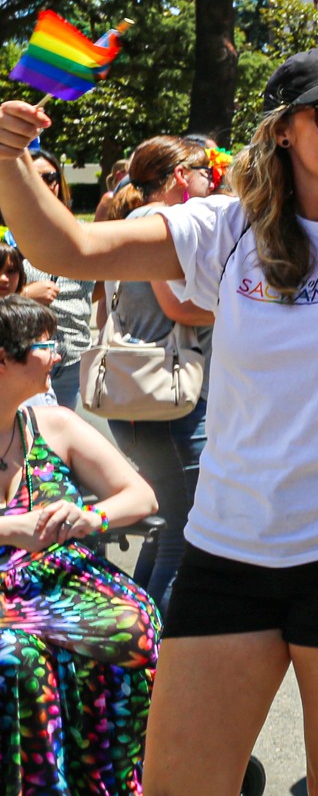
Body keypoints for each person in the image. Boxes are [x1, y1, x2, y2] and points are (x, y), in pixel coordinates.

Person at [0, 47, 318, 794]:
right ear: (282, 130)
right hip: (230, 549)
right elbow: (66, 247)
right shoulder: (224, 226)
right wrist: (9, 155)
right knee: (179, 781)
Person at [0, 293, 162, 792]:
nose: (58, 355)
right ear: (3, 359)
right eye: (44, 345)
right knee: (17, 660)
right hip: (9, 592)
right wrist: (11, 530)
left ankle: (110, 784)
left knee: (132, 626)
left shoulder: (52, 424)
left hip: (63, 581)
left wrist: (88, 516)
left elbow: (142, 496)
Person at [97, 136, 216, 608]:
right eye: (203, 169)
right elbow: (179, 307)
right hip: (170, 401)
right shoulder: (161, 223)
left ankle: (140, 645)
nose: (213, 177)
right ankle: (157, 662)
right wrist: (248, 306)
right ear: (180, 178)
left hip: (139, 395)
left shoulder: (130, 221)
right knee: (182, 541)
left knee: (166, 532)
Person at [20, 151, 95, 412]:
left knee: (61, 440)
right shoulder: (8, 233)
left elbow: (96, 290)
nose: (44, 184)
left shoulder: (78, 231)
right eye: (35, 176)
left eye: (49, 177)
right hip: (22, 356)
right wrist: (25, 295)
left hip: (73, 357)